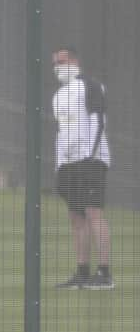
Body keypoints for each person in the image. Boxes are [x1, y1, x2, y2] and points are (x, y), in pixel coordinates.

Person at [51, 47, 113, 290]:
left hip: (91, 160)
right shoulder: (57, 96)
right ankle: (82, 272)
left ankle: (104, 273)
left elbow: (99, 120)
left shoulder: (91, 86)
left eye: (62, 61)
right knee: (76, 217)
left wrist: (91, 154)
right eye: (54, 62)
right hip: (68, 164)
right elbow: (61, 132)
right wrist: (59, 164)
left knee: (93, 212)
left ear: (75, 60)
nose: (57, 66)